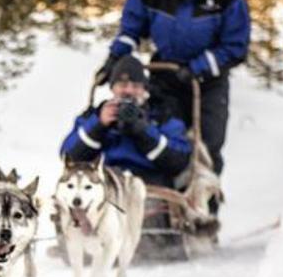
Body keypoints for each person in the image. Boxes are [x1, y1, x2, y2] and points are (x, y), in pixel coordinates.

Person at [95, 0, 250, 179]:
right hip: (164, 74)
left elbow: (235, 46)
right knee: (164, 134)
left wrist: (197, 68)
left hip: (208, 81)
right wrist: (115, 57)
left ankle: (203, 202)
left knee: (207, 142)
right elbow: (132, 27)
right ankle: (159, 190)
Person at [61, 56, 191, 188]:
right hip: (106, 184)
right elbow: (68, 157)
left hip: (151, 186)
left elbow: (179, 161)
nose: (128, 91)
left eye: (135, 86)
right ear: (113, 88)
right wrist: (99, 126)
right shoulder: (95, 115)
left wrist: (143, 132)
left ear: (144, 90)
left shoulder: (161, 116)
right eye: (122, 85)